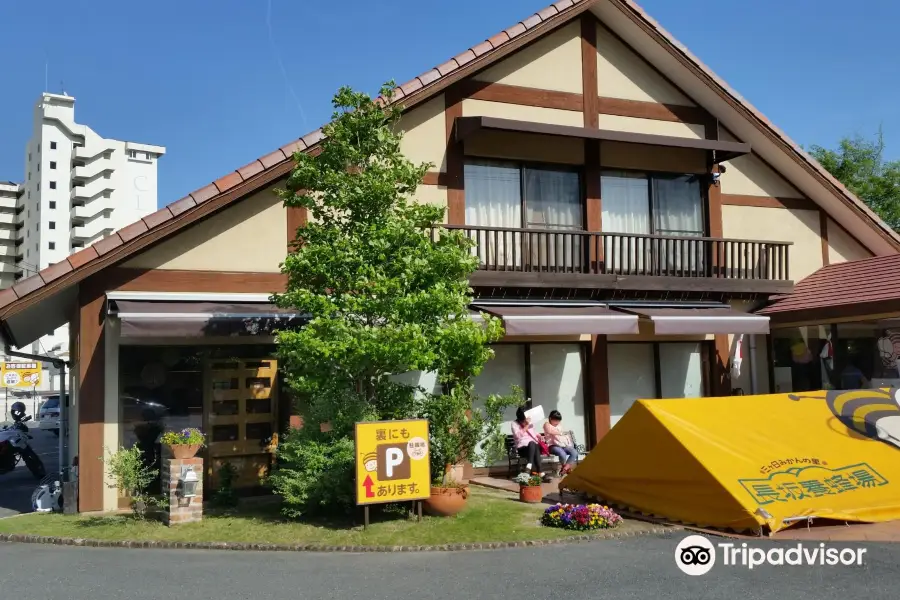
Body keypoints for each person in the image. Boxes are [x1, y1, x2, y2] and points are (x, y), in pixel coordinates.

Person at [511, 406, 549, 481]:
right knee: (532, 443)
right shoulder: (514, 424)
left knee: (533, 443)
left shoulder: (530, 422)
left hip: (532, 447)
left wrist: (539, 435)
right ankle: (540, 472)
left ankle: (529, 467)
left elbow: (533, 432)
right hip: (522, 449)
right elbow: (518, 436)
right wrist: (526, 425)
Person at [543, 410, 578, 476]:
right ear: (550, 418)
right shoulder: (546, 424)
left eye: (558, 420)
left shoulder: (559, 425)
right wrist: (560, 433)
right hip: (552, 446)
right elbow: (550, 431)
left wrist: (561, 434)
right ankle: (567, 469)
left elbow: (561, 435)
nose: (557, 422)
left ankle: (565, 468)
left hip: (562, 444)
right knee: (562, 453)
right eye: (555, 420)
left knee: (574, 452)